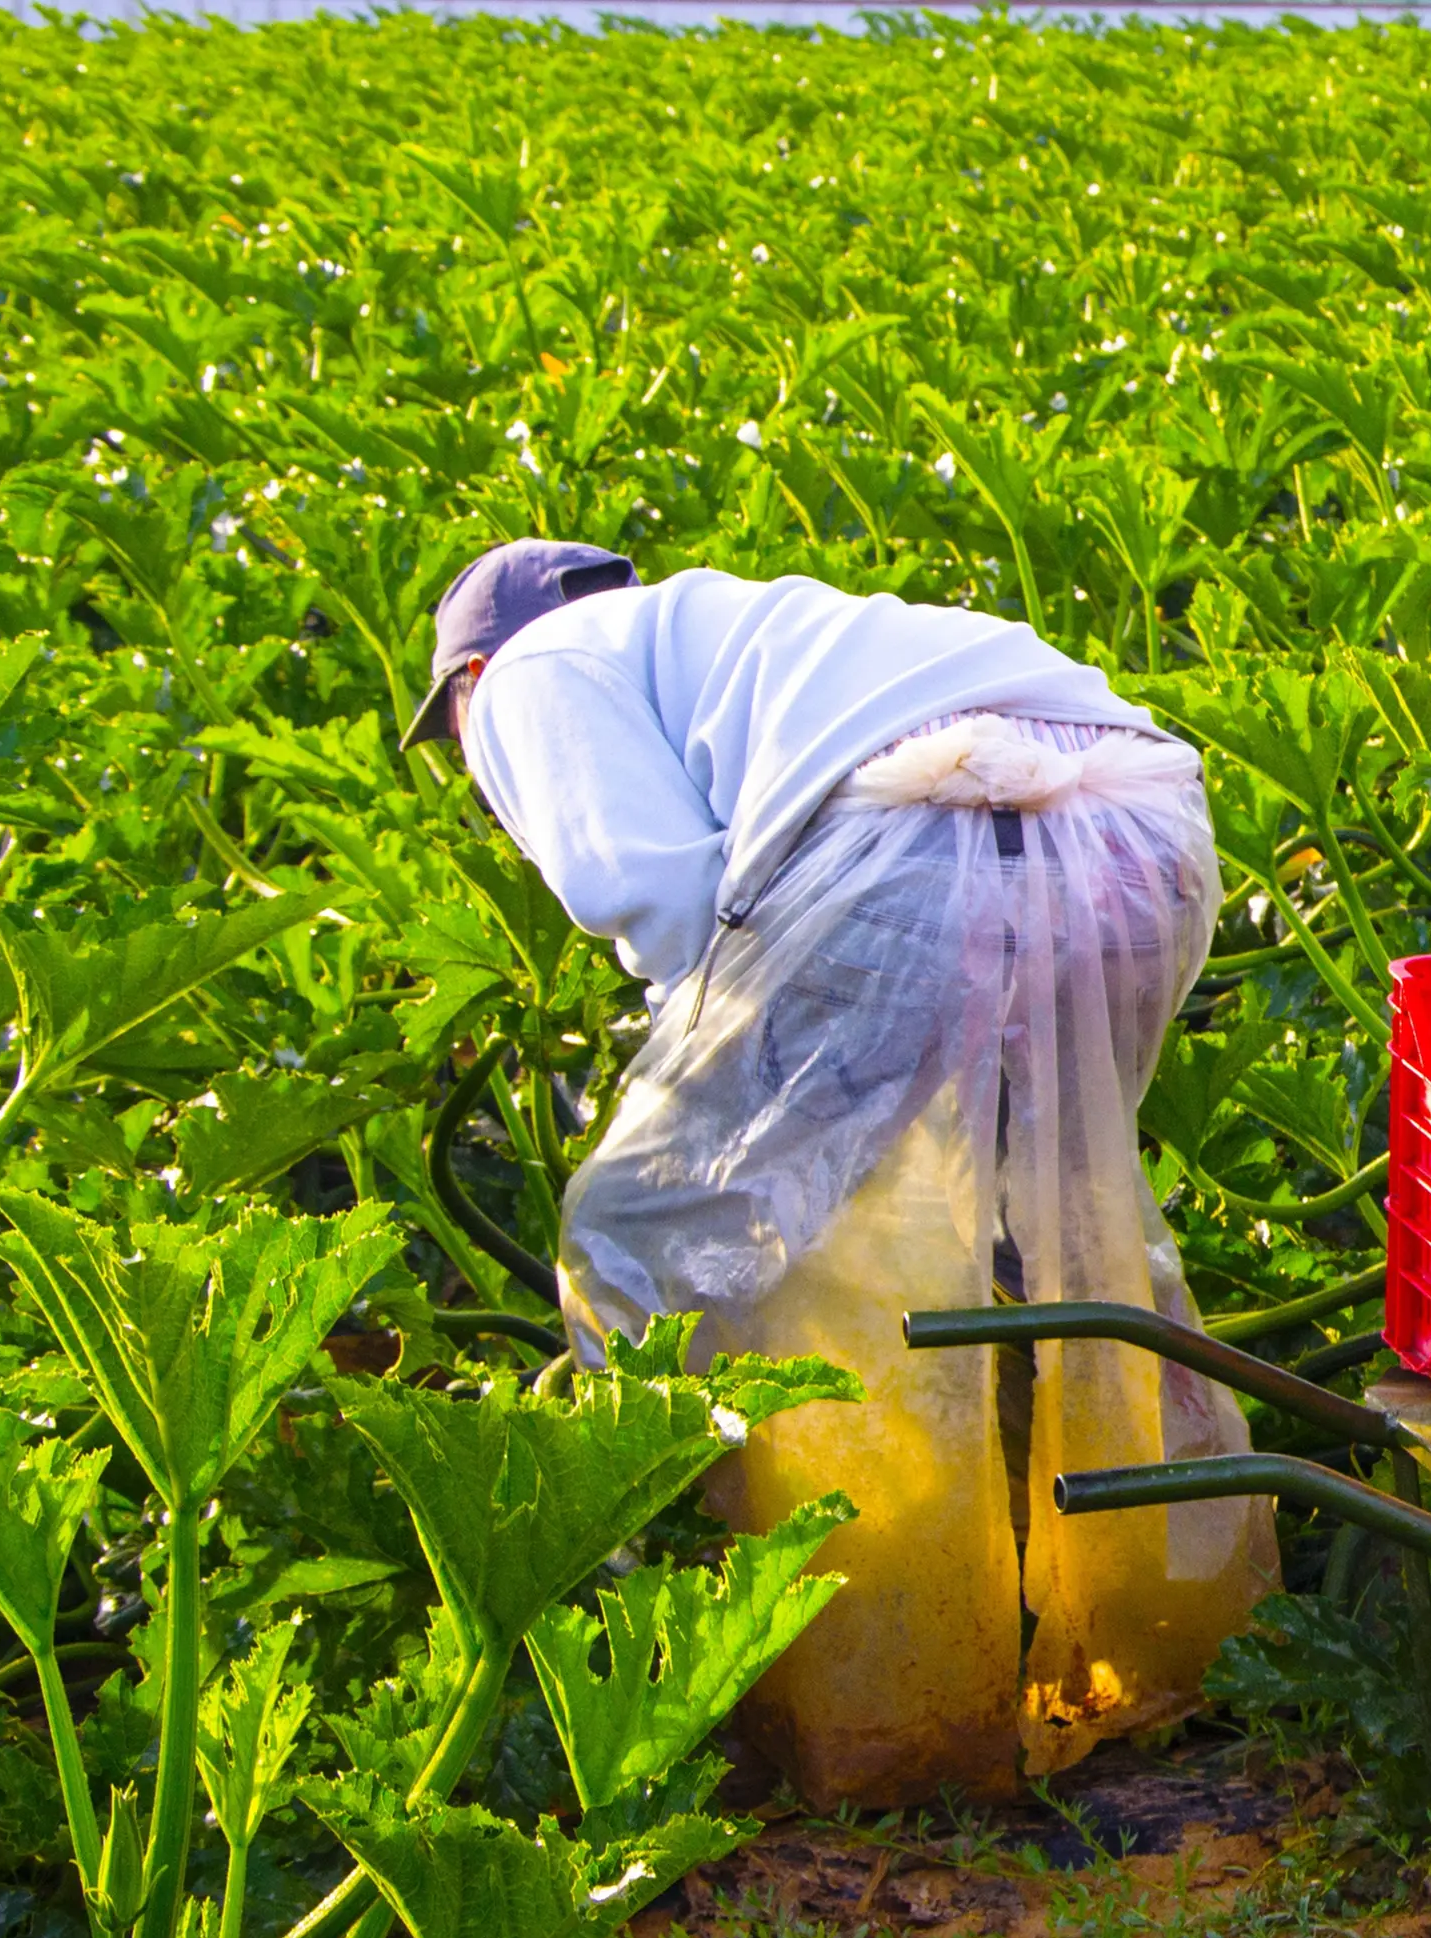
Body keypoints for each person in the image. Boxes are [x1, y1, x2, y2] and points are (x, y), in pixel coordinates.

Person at [410, 539, 1268, 1807]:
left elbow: (652, 887)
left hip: (930, 847)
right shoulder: (740, 634)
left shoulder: (533, 672)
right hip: (1145, 836)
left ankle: (742, 1670)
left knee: (640, 1241)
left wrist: (706, 1087)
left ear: (471, 675)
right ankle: (1137, 1629)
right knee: (1036, 1241)